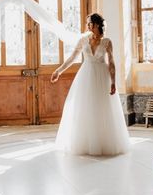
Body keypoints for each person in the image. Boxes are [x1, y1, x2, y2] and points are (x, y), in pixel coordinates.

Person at [51, 13, 130, 156]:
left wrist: (113, 81)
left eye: (90, 23)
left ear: (97, 25)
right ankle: (85, 142)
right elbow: (73, 57)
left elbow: (111, 62)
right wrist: (59, 71)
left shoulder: (107, 41)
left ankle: (103, 142)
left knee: (102, 108)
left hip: (102, 76)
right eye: (87, 23)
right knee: (84, 107)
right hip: (85, 76)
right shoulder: (83, 40)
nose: (88, 26)